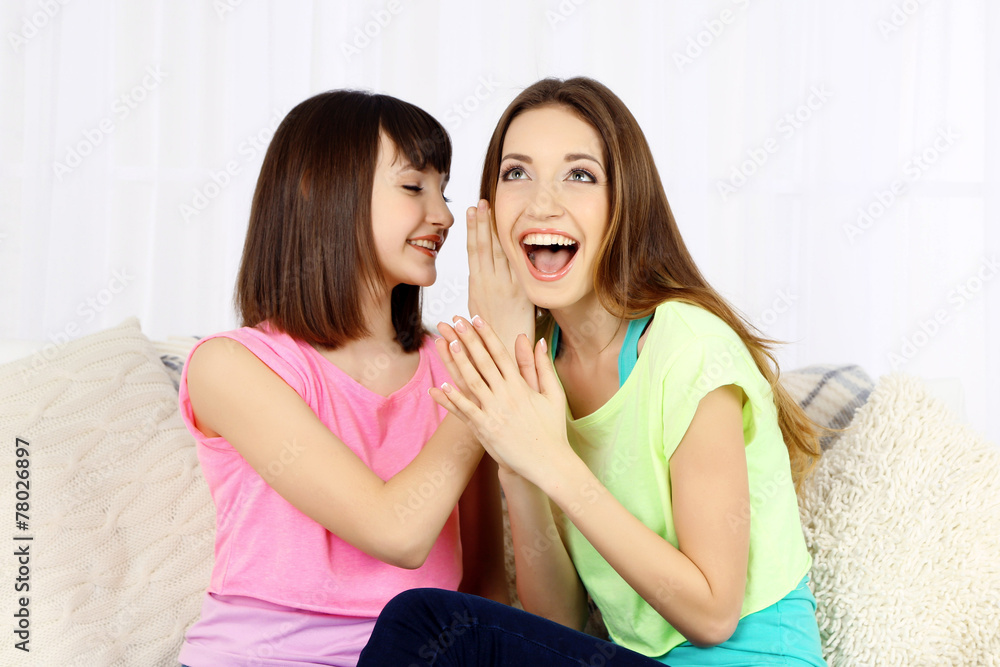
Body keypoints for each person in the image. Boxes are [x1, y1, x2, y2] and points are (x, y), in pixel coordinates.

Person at [357, 77, 826, 666]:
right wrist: (518, 447)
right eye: (516, 173)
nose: (541, 203)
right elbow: (557, 624)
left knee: (423, 622)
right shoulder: (548, 364)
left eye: (579, 175)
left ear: (622, 204)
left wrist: (551, 460)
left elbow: (712, 614)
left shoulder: (687, 345)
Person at [176, 90, 507, 667]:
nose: (445, 215)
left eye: (443, 189)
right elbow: (395, 532)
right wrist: (487, 370)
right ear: (317, 189)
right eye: (414, 187)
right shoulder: (230, 366)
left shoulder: (452, 366)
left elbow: (483, 582)